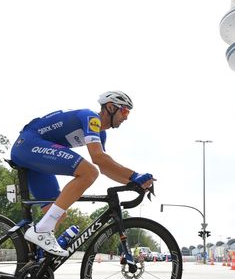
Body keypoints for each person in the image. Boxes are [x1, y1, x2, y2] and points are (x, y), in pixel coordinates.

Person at [10, 91, 154, 257]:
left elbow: (105, 167)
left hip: (35, 153)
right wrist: (134, 175)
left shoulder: (101, 133)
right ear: (110, 107)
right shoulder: (91, 118)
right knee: (88, 172)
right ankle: (41, 230)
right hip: (28, 144)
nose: (126, 117)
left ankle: (33, 264)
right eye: (124, 111)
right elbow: (97, 157)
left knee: (57, 213)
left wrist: (133, 183)